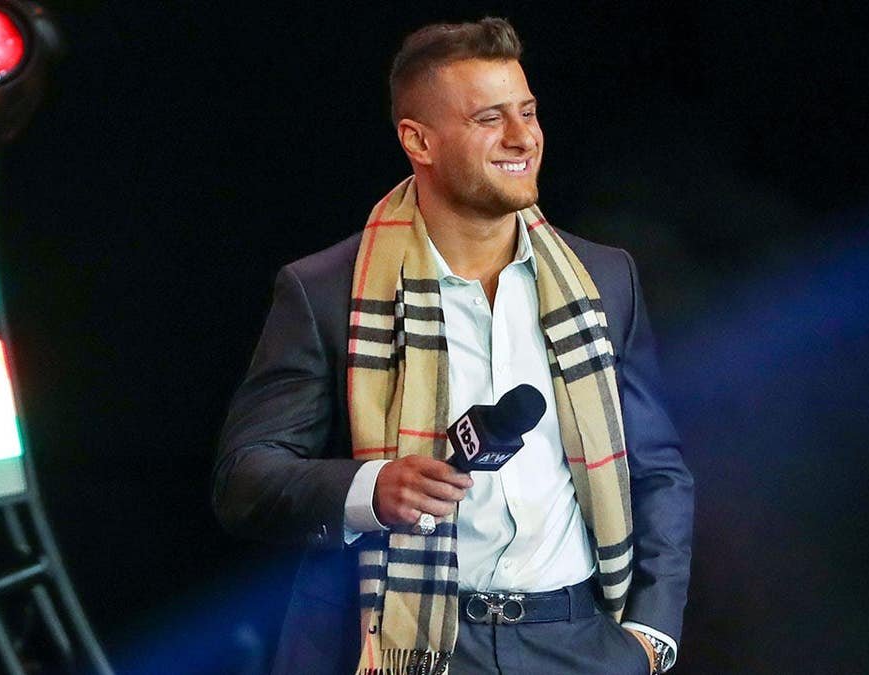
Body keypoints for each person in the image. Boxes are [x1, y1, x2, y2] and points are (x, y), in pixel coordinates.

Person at [213, 17, 693, 675]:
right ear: (418, 140)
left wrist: (650, 635)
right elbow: (244, 481)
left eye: (527, 112)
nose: (523, 137)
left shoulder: (604, 279)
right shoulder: (324, 289)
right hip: (401, 643)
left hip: (576, 641)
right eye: (490, 118)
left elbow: (658, 468)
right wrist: (372, 487)